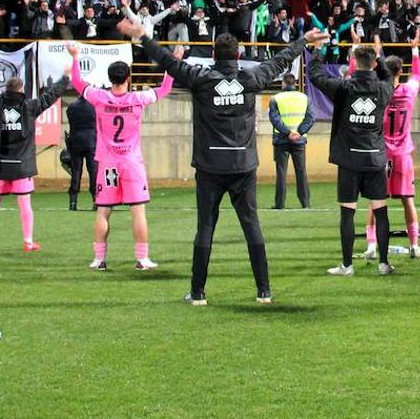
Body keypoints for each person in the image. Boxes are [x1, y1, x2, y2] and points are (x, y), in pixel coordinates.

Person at [128, 18, 322, 307]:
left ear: (214, 56)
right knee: (251, 225)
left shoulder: (202, 78)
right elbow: (280, 61)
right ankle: (264, 291)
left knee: (205, 226)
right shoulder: (250, 78)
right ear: (239, 57)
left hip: (209, 167)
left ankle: (198, 293)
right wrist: (303, 41)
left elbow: (168, 62)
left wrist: (143, 37)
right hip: (243, 165)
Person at [67, 42, 175, 271]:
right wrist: (171, 64)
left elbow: (77, 83)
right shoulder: (138, 99)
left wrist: (75, 57)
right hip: (131, 163)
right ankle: (142, 259)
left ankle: (99, 259)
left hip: (108, 165)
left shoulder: (99, 97)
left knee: (104, 210)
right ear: (128, 78)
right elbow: (164, 89)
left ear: (110, 78)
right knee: (138, 210)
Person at [309, 35, 396, 276]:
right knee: (380, 210)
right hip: (374, 158)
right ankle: (384, 263)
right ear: (375, 63)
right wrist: (380, 57)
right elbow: (390, 77)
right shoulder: (383, 89)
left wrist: (317, 51)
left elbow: (316, 77)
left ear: (354, 63)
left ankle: (347, 265)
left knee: (348, 211)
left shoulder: (344, 88)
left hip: (349, 159)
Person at [0, 64, 70, 254]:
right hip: (22, 166)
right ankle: (28, 242)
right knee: (25, 206)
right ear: (21, 89)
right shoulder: (29, 106)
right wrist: (65, 78)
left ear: (6, 89)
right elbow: (51, 96)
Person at [363, 32, 420, 260]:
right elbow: (418, 75)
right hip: (402, 153)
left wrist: (376, 52)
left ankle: (371, 246)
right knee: (407, 199)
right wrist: (415, 49)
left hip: (381, 152)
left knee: (375, 198)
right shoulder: (409, 91)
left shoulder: (379, 92)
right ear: (401, 71)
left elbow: (368, 74)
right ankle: (414, 245)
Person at [269, 73, 314, 210]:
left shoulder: (276, 98)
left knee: (281, 172)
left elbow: (275, 119)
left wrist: (287, 133)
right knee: (301, 171)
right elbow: (310, 118)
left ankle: (280, 204)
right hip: (299, 140)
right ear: (294, 83)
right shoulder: (304, 98)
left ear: (283, 83)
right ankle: (305, 203)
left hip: (281, 140)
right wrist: (298, 132)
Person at [65, 92, 98, 211]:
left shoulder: (71, 107)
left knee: (76, 172)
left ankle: (73, 202)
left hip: (75, 142)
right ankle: (95, 201)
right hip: (91, 142)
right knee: (93, 172)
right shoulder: (94, 106)